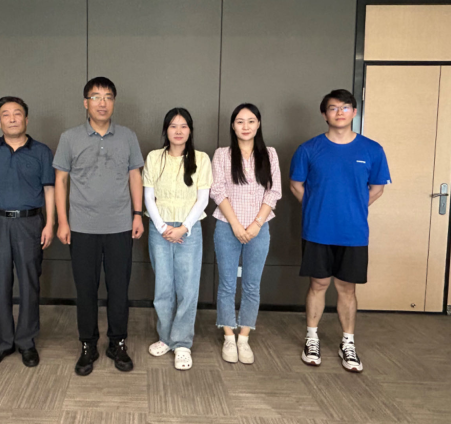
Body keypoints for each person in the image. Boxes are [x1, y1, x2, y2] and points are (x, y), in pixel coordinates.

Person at [290, 89, 391, 373]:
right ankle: (312, 339)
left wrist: (353, 208)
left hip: (353, 233)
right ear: (324, 114)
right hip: (317, 231)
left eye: (345, 107)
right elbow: (296, 185)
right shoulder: (308, 149)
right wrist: (318, 209)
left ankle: (348, 343)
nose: (339, 112)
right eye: (333, 108)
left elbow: (377, 188)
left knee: (347, 288)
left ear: (354, 112)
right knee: (318, 285)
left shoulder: (372, 149)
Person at [54, 77, 144, 376]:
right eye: (96, 97)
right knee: (85, 290)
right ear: (86, 103)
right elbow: (60, 181)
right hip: (82, 227)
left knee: (119, 289)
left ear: (114, 102)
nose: (102, 103)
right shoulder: (69, 137)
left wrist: (137, 214)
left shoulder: (127, 136)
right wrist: (63, 221)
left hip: (120, 226)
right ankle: (88, 345)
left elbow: (135, 176)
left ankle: (117, 343)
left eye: (108, 97)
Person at [0, 96, 55, 369]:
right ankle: (3, 342)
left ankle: (26, 342)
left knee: (30, 284)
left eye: (17, 113)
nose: (12, 118)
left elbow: (50, 190)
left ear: (26, 119)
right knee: (0, 283)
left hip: (29, 224)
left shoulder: (41, 151)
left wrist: (50, 223)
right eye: (5, 114)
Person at [211, 103, 281, 365]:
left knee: (252, 285)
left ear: (258, 124)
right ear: (233, 125)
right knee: (227, 284)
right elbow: (217, 190)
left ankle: (244, 337)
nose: (245, 126)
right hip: (227, 226)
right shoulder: (222, 154)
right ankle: (229, 336)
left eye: (251, 121)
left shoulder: (269, 154)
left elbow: (273, 191)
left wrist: (256, 225)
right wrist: (236, 225)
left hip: (259, 228)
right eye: (240, 121)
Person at [143, 108, 212, 370]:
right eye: (173, 126)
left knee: (187, 288)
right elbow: (148, 196)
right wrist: (162, 227)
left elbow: (203, 198)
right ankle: (165, 337)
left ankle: (182, 343)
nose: (178, 131)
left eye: (184, 126)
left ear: (190, 130)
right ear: (166, 130)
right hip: (159, 228)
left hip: (189, 230)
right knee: (163, 286)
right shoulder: (154, 157)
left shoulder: (201, 159)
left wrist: (183, 227)